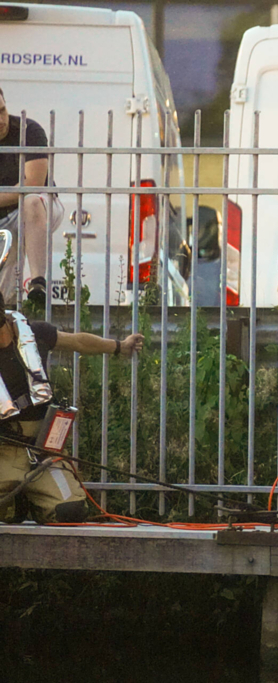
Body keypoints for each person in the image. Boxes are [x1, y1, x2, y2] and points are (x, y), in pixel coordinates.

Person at [0, 294, 144, 524]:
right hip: (3, 452)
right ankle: (14, 505)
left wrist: (120, 346)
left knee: (70, 512)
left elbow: (79, 342)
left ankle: (33, 501)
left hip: (42, 454)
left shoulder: (34, 333)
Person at [0, 86, 64, 306]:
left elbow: (33, 184)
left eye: (2, 110)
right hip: (4, 216)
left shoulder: (28, 129)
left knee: (31, 201)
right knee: (5, 288)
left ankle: (37, 281)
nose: (1, 120)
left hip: (41, 205)